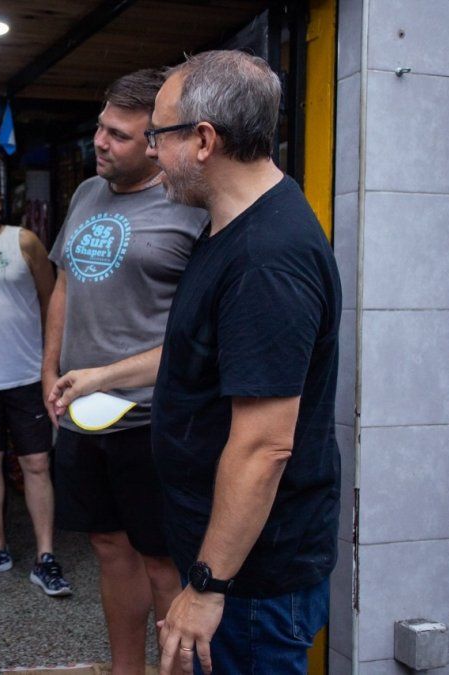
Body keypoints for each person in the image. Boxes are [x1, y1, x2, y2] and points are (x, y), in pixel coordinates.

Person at [143, 51, 342, 675]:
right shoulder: (229, 227)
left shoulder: (266, 258)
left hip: (247, 584)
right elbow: (211, 355)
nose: (152, 151)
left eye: (158, 133)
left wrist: (207, 586)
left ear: (204, 140)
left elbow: (264, 446)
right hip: (226, 564)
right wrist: (105, 375)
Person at [43, 70, 209, 672]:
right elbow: (65, 285)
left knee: (163, 560)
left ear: (155, 141)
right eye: (100, 127)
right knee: (109, 545)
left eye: (118, 134)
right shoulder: (88, 193)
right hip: (82, 410)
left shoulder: (192, 207)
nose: (100, 141)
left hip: (152, 416)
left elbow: (201, 333)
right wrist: (48, 370)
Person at [0, 170, 71, 596]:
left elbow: (51, 301)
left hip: (25, 375)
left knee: (36, 464)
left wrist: (50, 366)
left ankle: (45, 557)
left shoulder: (24, 242)